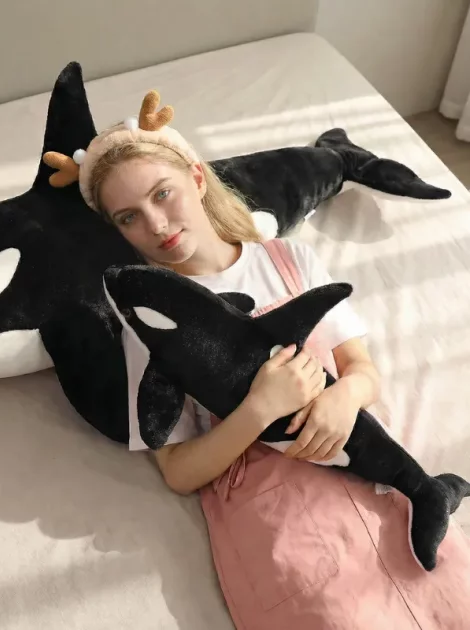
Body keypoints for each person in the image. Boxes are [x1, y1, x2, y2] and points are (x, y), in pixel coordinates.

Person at [44, 91, 470, 629]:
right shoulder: (146, 320)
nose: (156, 224)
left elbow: (363, 372)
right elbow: (178, 472)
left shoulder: (289, 261)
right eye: (129, 216)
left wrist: (344, 398)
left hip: (386, 487)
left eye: (163, 194)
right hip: (285, 525)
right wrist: (259, 409)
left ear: (197, 178)